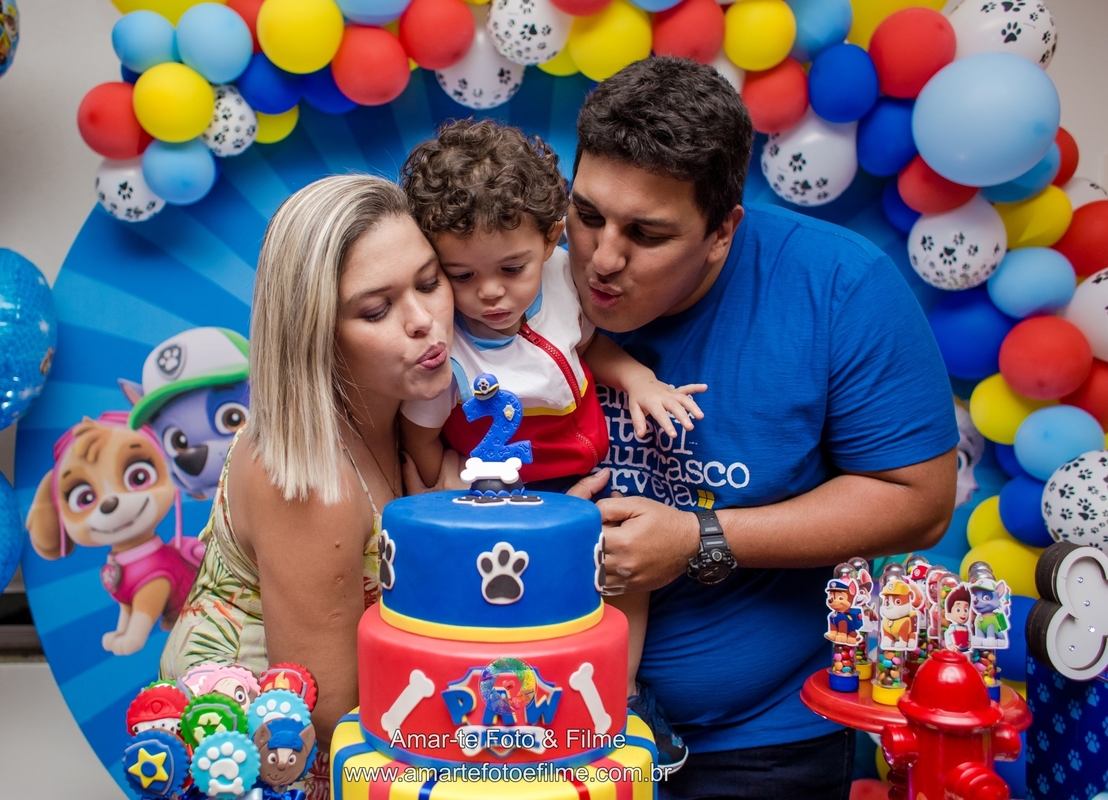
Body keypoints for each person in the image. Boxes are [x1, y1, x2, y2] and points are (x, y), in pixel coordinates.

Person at [565, 58, 959, 799]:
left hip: (763, 740)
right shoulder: (526, 279)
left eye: (647, 235)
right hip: (539, 711)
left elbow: (921, 499)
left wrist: (700, 540)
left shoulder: (840, 287)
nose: (602, 260)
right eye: (586, 215)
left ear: (722, 232)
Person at [397, 119, 704, 770]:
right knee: (517, 601)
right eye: (461, 274)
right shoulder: (442, 343)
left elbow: (590, 346)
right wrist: (436, 483)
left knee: (625, 574)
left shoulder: (566, 282)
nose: (489, 293)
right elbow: (422, 427)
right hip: (494, 488)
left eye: (513, 268)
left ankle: (621, 695)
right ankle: (507, 719)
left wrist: (640, 381)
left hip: (581, 477)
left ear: (552, 239)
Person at [159, 175, 454, 800]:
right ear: (313, 334)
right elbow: (333, 713)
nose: (424, 320)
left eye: (429, 282)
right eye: (377, 310)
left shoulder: (408, 411)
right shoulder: (312, 482)